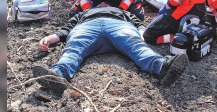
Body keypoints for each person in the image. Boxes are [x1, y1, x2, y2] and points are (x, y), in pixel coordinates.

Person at [32, 6, 189, 93]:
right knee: (74, 48)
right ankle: (58, 75)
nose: (103, 4)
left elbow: (138, 23)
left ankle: (163, 67)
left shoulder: (121, 11)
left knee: (136, 46)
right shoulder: (84, 13)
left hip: (119, 25)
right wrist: (50, 38)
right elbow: (67, 28)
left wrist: (142, 33)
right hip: (88, 26)